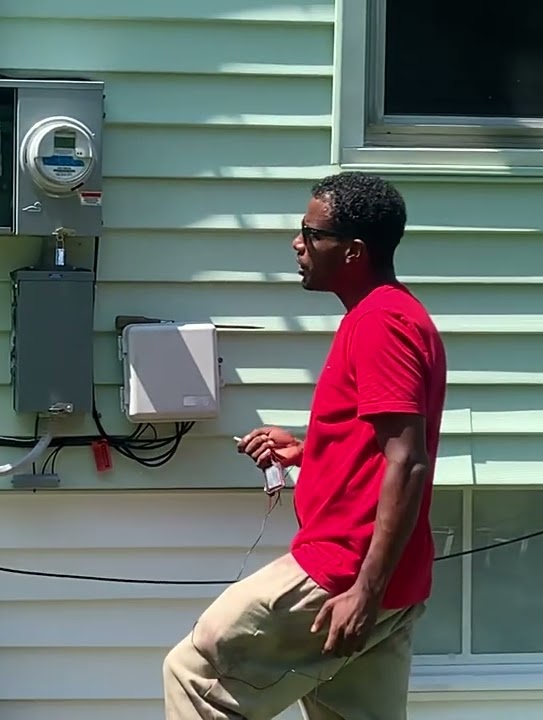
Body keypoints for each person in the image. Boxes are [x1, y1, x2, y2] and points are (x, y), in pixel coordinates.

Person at [162, 172, 448, 720]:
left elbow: (408, 462)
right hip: (395, 578)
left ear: (353, 251)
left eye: (312, 233)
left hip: (344, 569)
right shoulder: (397, 314)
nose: (298, 244)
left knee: (195, 672)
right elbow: (377, 444)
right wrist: (309, 451)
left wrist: (364, 589)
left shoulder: (380, 324)